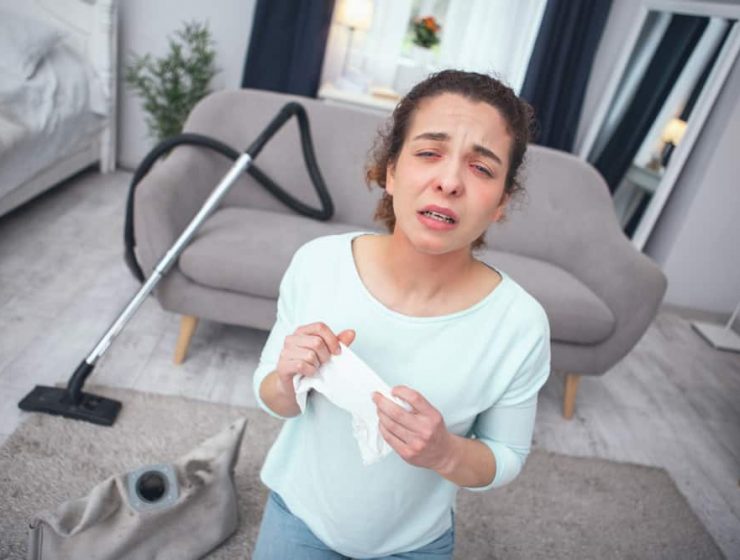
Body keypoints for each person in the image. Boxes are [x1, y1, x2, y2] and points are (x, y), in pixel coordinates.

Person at [251, 69, 551, 559]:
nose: (449, 182)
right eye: (429, 153)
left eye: (481, 168)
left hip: (415, 543)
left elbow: (507, 456)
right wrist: (287, 380)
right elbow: (270, 396)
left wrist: (445, 452)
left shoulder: (520, 325)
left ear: (501, 202)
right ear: (390, 171)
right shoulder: (318, 264)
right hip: (299, 516)